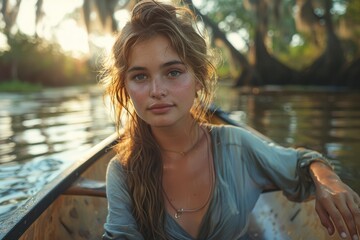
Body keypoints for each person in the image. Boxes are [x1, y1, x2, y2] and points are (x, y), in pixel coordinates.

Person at [100, 0, 360, 239]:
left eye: (173, 72)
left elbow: (303, 163)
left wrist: (329, 182)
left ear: (199, 79)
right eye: (141, 77)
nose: (157, 90)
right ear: (125, 86)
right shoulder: (123, 170)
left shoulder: (236, 145)